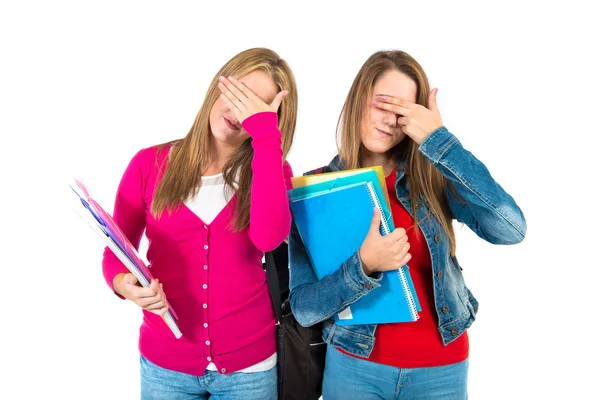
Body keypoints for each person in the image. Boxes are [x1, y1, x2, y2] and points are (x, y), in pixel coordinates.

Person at [288, 50, 526, 399]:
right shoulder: (315, 189)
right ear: (358, 101)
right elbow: (305, 308)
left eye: (403, 112)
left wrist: (440, 142)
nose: (389, 121)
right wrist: (364, 266)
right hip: (355, 368)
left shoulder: (433, 179)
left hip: (442, 372)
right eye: (381, 104)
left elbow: (511, 229)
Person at [101, 47, 297, 399]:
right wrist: (126, 285)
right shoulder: (149, 164)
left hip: (249, 369)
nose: (239, 112)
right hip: (165, 366)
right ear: (218, 86)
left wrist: (267, 137)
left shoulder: (271, 171)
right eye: (238, 93)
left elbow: (270, 238)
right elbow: (117, 250)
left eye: (256, 107)